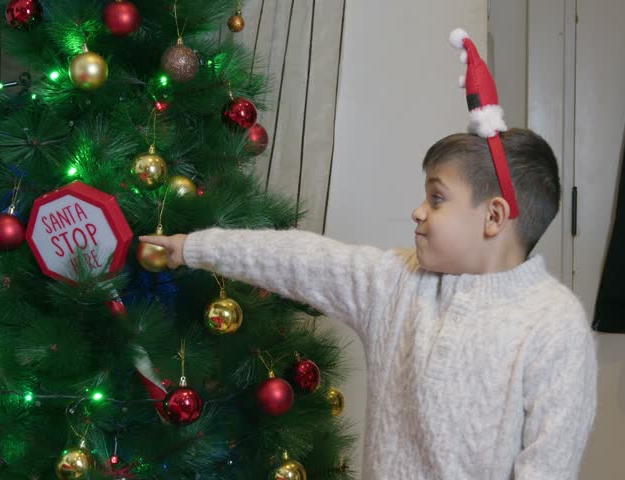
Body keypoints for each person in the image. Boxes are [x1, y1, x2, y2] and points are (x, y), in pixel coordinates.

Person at [140, 28, 596, 479]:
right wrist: (194, 246)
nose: (418, 211)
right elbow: (298, 260)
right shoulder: (395, 283)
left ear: (493, 217)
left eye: (437, 199)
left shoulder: (553, 323)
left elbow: (549, 462)